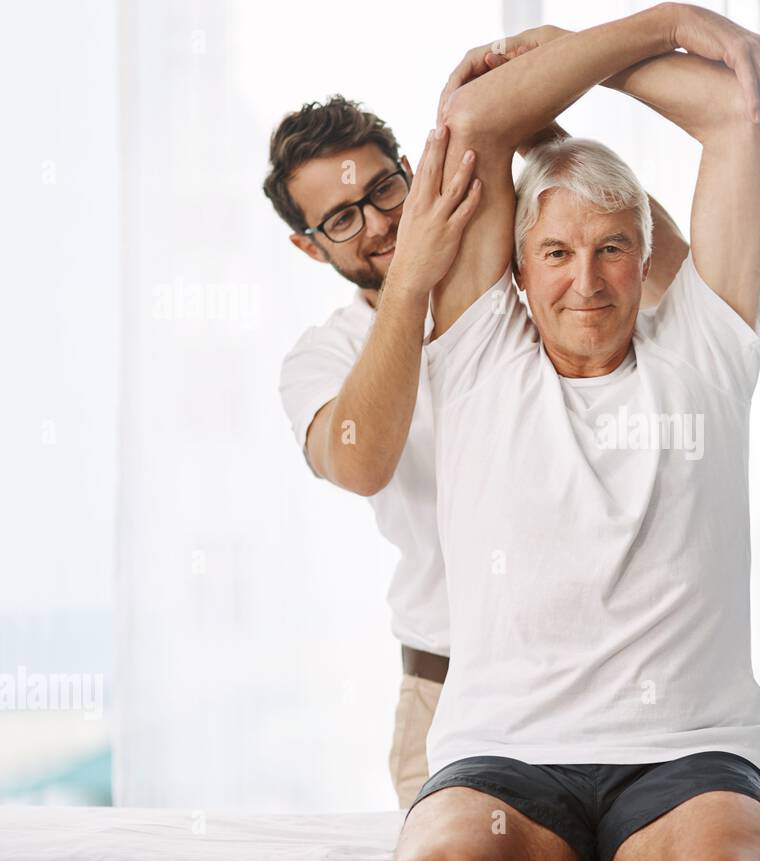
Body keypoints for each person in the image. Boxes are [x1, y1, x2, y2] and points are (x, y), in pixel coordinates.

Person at [393, 2, 760, 861]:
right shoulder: (480, 355)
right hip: (501, 758)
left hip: (689, 756)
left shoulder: (703, 349)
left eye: (613, 247)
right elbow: (476, 114)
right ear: (519, 268)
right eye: (559, 252)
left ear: (646, 258)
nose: (587, 279)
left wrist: (583, 58)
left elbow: (735, 115)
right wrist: (662, 27)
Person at [265, 96, 689, 808]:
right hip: (447, 690)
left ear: (410, 173)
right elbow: (364, 461)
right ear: (311, 245)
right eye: (342, 218)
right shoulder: (321, 358)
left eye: (383, 191)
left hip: (600, 684)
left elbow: (682, 288)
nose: (378, 223)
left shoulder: (518, 296)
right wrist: (411, 283)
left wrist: (552, 144)